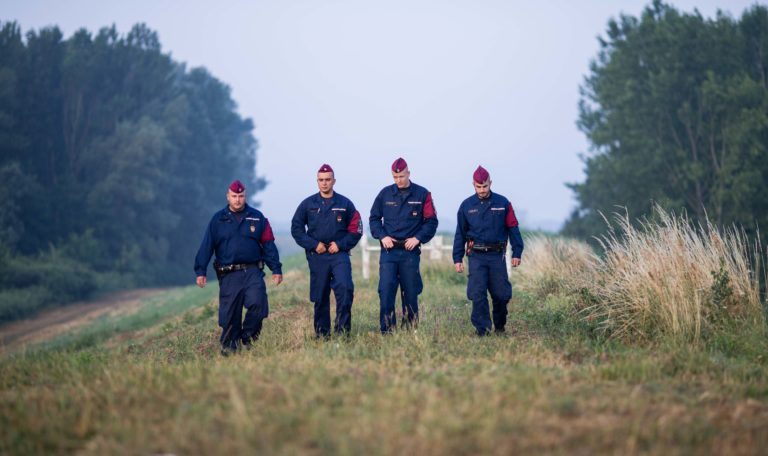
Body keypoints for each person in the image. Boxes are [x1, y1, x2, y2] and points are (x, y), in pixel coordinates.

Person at [194, 179, 283, 355]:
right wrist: (200, 270)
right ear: (228, 197)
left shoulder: (257, 217)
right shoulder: (218, 219)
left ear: (245, 197)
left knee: (258, 304)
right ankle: (229, 350)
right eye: (234, 196)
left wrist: (276, 268)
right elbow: (207, 245)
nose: (237, 200)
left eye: (240, 196)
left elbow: (268, 244)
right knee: (229, 316)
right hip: (229, 274)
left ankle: (248, 338)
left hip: (252, 271)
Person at [291, 164, 363, 337]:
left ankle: (342, 333)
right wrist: (314, 245)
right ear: (317, 181)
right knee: (320, 296)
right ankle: (322, 335)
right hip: (318, 255)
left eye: (328, 180)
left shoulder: (345, 204)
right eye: (321, 180)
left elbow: (356, 229)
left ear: (334, 181)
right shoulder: (307, 204)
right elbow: (296, 229)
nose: (324, 183)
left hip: (339, 254)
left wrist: (341, 244)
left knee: (345, 289)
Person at [453, 166, 523, 336]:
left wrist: (517, 252)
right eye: (478, 187)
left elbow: (513, 228)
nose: (482, 190)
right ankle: (482, 331)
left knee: (501, 295)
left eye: (485, 186)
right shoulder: (466, 206)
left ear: (490, 183)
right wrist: (457, 258)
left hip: (496, 256)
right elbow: (460, 234)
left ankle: (499, 326)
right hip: (476, 256)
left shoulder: (503, 203)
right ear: (473, 185)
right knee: (477, 294)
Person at [369, 157, 438, 333]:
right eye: (395, 177)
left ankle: (410, 330)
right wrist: (382, 235)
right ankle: (387, 330)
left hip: (410, 252)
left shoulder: (423, 194)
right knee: (385, 292)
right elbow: (374, 219)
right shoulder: (384, 194)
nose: (398, 180)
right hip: (389, 252)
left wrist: (418, 238)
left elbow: (431, 221)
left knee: (410, 293)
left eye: (401, 176)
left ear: (408, 173)